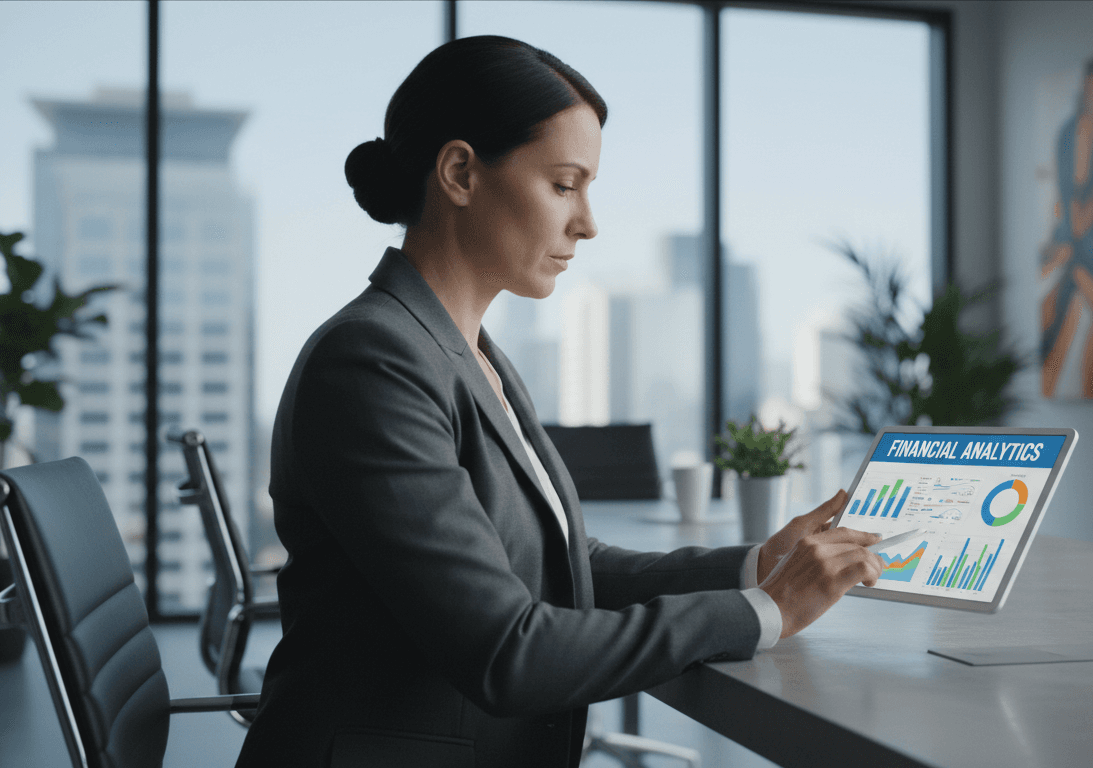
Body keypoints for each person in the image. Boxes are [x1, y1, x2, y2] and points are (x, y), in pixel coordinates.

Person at [235, 35, 883, 768]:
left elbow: (565, 565)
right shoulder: (372, 362)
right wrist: (763, 611)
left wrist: (755, 565)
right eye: (564, 184)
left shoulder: (470, 353)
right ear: (459, 173)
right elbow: (507, 652)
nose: (588, 223)